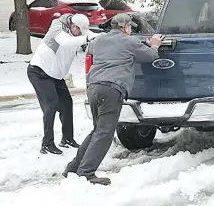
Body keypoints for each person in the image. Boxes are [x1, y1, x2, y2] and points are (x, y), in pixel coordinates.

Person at [63, 13, 164, 185]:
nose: (131, 29)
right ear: (125, 27)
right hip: (111, 89)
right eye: (130, 27)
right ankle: (86, 173)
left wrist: (142, 43)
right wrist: (154, 45)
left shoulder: (98, 41)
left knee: (97, 130)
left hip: (94, 88)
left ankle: (73, 168)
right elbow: (151, 57)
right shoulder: (130, 42)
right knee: (104, 134)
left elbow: (109, 48)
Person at [27, 13, 98, 155]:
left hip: (56, 75)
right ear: (73, 26)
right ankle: (47, 143)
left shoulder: (77, 29)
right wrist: (85, 38)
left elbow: (89, 34)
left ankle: (67, 139)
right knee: (51, 106)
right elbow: (65, 42)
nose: (81, 34)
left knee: (67, 104)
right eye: (79, 31)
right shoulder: (57, 27)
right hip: (39, 72)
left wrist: (98, 37)